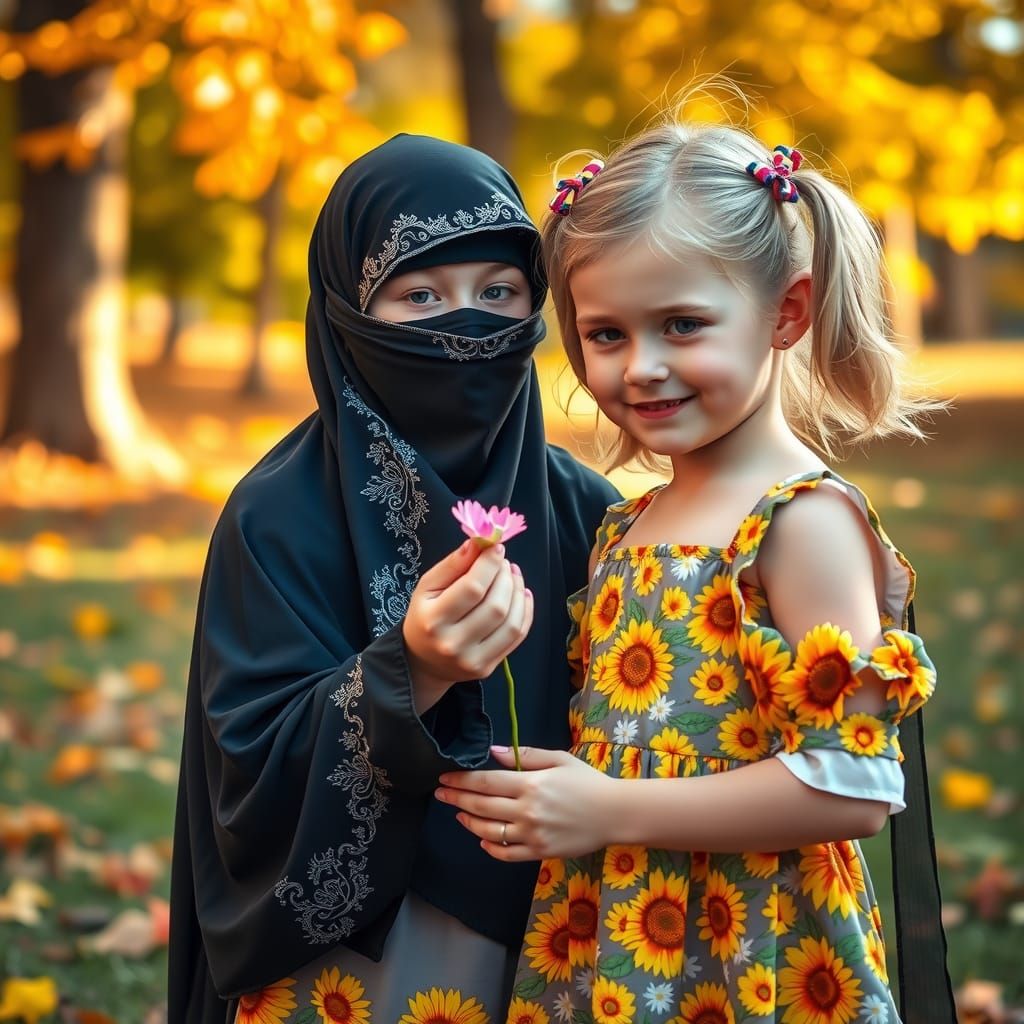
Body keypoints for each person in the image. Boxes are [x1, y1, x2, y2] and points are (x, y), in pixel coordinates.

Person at [435, 116, 946, 1022]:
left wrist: (611, 810)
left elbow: (857, 785)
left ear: (785, 312)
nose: (644, 368)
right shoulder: (628, 521)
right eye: (606, 335)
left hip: (753, 950)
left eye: (682, 324)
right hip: (618, 940)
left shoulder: (800, 522)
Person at [168, 133, 619, 1024]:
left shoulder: (585, 508)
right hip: (357, 966)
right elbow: (246, 771)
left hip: (561, 935)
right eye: (420, 296)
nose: (468, 324)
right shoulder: (276, 516)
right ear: (346, 312)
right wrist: (406, 672)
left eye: (499, 293)